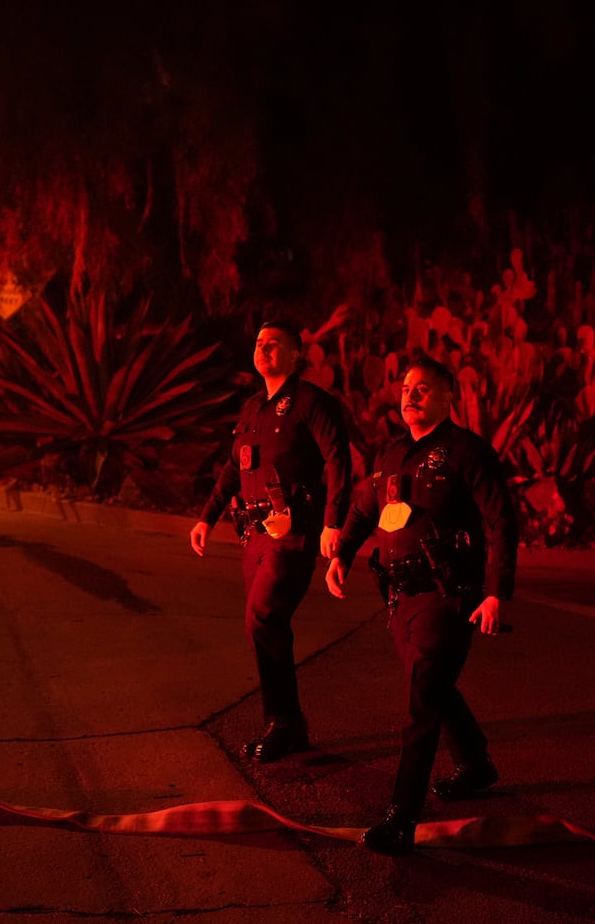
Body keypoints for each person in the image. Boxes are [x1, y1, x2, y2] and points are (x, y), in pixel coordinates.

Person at [325, 355, 517, 856]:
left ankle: (401, 816)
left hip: (447, 595)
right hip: (399, 596)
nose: (410, 396)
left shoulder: (467, 452)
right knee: (430, 687)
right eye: (406, 388)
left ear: (448, 397)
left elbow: (501, 523)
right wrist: (343, 551)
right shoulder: (393, 452)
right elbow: (369, 504)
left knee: (421, 702)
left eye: (423, 389)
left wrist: (496, 591)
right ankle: (475, 764)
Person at [191, 320, 352, 762]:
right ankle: (286, 723)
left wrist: (332, 522)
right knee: (264, 626)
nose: (264, 349)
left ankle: (283, 724)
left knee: (263, 619)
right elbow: (233, 466)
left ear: (297, 355)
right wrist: (207, 516)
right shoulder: (252, 407)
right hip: (254, 536)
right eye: (259, 343)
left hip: (292, 532)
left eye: (275, 344)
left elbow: (338, 458)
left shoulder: (313, 403)